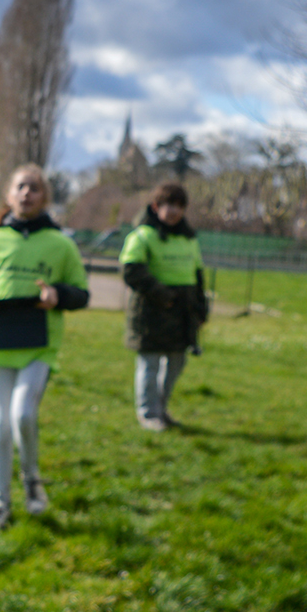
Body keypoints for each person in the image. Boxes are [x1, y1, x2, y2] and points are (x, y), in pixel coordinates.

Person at [0, 164, 90, 534]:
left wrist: (58, 296)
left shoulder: (62, 244)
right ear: (9, 194)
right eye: (20, 187)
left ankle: (32, 481)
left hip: (40, 346)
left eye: (34, 188)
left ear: (44, 196)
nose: (27, 194)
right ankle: (1, 504)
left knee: (22, 416)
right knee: (1, 426)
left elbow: (81, 294)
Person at [119, 182, 209, 430]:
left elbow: (198, 276)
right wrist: (163, 295)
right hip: (151, 311)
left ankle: (161, 408)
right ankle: (148, 413)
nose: (174, 211)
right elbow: (131, 271)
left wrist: (201, 309)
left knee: (177, 363)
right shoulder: (142, 236)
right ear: (156, 206)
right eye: (169, 205)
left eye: (179, 206)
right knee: (150, 364)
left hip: (183, 312)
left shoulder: (189, 240)